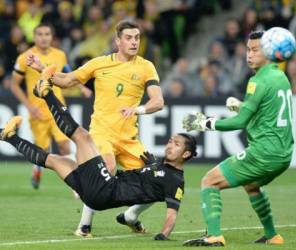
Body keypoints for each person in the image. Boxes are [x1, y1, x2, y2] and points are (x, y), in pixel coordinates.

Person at [0, 74, 196, 240]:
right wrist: (152, 166)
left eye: (176, 144)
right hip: (97, 195)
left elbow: (172, 213)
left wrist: (163, 235)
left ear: (186, 154)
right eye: (171, 141)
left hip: (106, 189)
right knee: (54, 160)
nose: (170, 145)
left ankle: (46, 93)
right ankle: (10, 137)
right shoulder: (157, 164)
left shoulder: (175, 180)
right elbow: (148, 183)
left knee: (83, 137)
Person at [26, 19, 164, 237]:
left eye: (137, 37)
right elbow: (67, 80)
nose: (134, 42)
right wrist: (43, 69)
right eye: (128, 37)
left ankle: (130, 217)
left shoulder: (146, 66)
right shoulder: (99, 63)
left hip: (129, 138)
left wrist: (137, 110)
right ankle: (84, 226)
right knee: (106, 168)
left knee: (158, 182)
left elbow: (158, 101)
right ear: (118, 41)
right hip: (102, 132)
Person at [182, 31, 294, 247]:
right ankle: (272, 236)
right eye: (248, 50)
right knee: (251, 185)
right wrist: (243, 106)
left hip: (263, 153)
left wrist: (205, 122)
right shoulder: (280, 76)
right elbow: (266, 115)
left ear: (269, 51)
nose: (248, 55)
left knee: (209, 181)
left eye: (255, 50)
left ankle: (214, 236)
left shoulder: (258, 80)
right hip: (283, 155)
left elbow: (239, 123)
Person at [11, 23, 71, 190]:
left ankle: (76, 185)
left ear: (52, 37)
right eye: (40, 34)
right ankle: (37, 169)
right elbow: (14, 85)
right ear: (34, 37)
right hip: (38, 111)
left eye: (47, 34)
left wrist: (81, 88)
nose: (43, 37)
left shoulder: (60, 55)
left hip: (58, 108)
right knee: (43, 150)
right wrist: (29, 107)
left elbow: (68, 73)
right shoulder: (25, 57)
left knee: (65, 145)